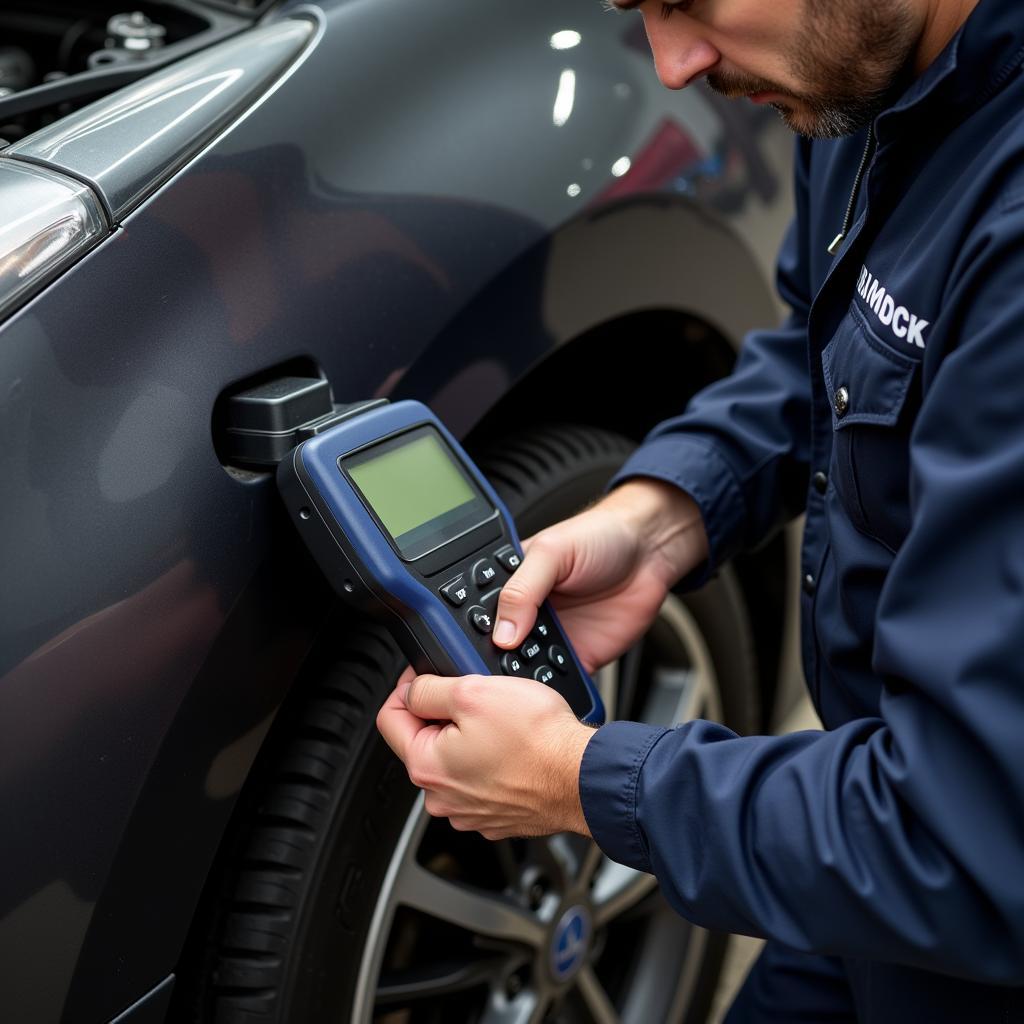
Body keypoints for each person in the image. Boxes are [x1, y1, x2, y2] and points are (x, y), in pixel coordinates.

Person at [378, 0, 1024, 1018]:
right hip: (862, 900)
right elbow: (819, 350)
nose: (672, 65)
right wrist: (661, 517)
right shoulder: (864, 76)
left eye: (688, 0)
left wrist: (579, 780)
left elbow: (972, 835)